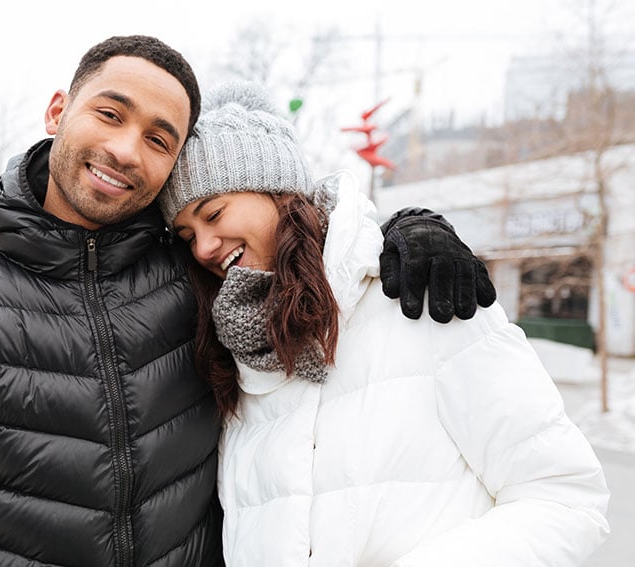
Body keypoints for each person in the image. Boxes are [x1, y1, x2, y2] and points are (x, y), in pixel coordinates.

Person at [0, 36, 496, 566]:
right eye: (110, 113)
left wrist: (405, 230)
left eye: (160, 139)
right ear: (57, 112)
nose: (127, 149)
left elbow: (305, 238)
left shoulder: (200, 281)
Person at [157, 81, 610, 567]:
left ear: (277, 190)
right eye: (187, 235)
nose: (204, 247)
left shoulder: (420, 293)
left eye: (214, 213)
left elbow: (564, 496)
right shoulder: (232, 352)